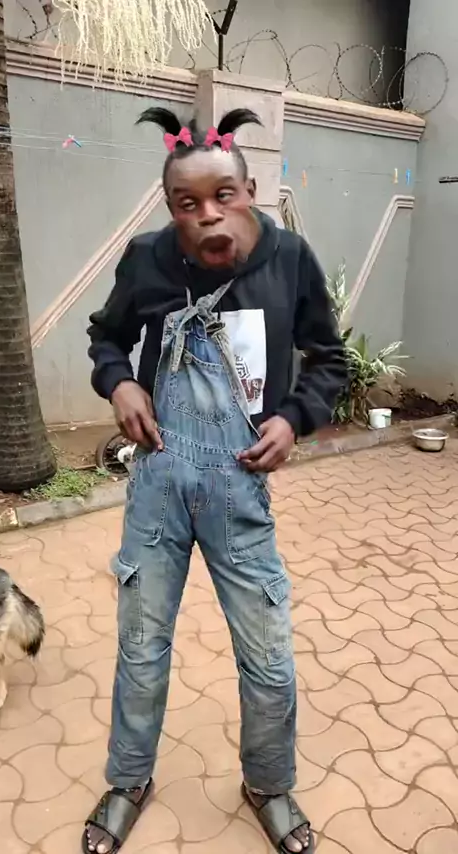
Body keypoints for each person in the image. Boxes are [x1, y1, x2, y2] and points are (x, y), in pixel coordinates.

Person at [83, 106, 347, 854]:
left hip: (239, 491)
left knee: (269, 658)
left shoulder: (290, 260)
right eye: (187, 202)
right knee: (141, 649)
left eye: (223, 195)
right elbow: (107, 336)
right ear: (171, 208)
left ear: (249, 190)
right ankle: (128, 779)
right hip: (158, 489)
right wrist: (119, 384)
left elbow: (328, 359)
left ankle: (268, 784)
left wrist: (293, 417)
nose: (207, 214)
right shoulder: (147, 259)